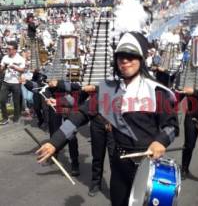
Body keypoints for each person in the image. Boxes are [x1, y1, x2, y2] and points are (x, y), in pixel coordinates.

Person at [36, 31, 179, 206]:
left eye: (131, 56)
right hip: (119, 166)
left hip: (148, 167)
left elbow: (172, 127)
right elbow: (80, 114)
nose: (125, 61)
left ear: (141, 58)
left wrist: (161, 142)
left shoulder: (156, 91)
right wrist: (55, 142)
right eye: (120, 57)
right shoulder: (108, 90)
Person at [0, 41, 25, 125]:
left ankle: (16, 117)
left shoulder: (20, 59)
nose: (8, 50)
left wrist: (14, 67)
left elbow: (22, 70)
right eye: (7, 48)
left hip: (16, 82)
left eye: (9, 49)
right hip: (6, 82)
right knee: (2, 100)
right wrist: (4, 67)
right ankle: (5, 118)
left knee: (16, 101)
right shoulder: (5, 57)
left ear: (15, 50)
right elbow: (1, 70)